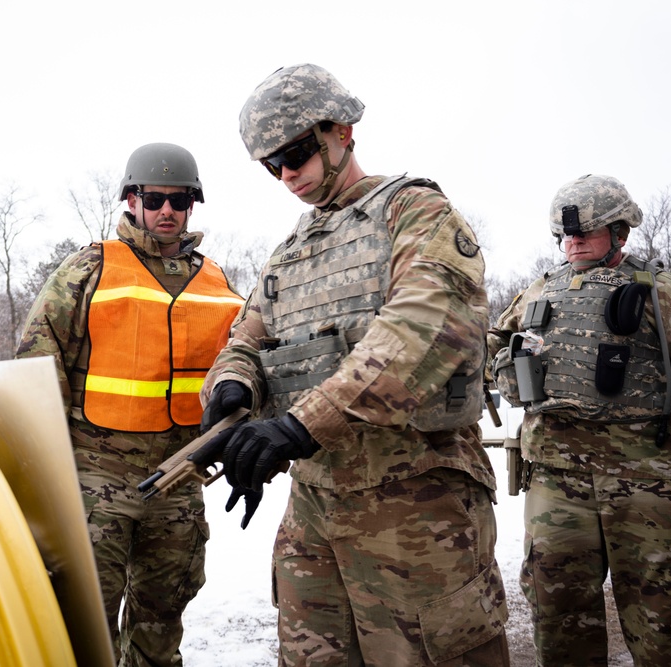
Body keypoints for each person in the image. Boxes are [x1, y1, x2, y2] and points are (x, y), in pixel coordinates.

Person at [200, 63, 510, 666]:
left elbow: (422, 330)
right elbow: (245, 339)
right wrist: (233, 391)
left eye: (295, 153)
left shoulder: (414, 213)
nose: (288, 175)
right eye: (272, 165)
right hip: (315, 513)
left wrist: (297, 426)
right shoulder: (289, 253)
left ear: (341, 131)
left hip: (416, 508)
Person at [488, 174, 671, 666]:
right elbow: (492, 348)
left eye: (587, 231)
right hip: (556, 485)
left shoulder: (662, 294)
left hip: (647, 483)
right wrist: (506, 364)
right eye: (566, 233)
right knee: (558, 619)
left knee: (665, 624)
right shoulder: (537, 293)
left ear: (621, 232)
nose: (574, 241)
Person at [16, 142, 243, 666]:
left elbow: (241, 366)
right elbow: (37, 362)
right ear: (131, 199)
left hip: (179, 481)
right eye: (155, 197)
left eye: (180, 200)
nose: (168, 210)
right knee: (85, 620)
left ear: (193, 205)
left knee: (163, 617)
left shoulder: (217, 282)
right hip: (96, 483)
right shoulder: (89, 268)